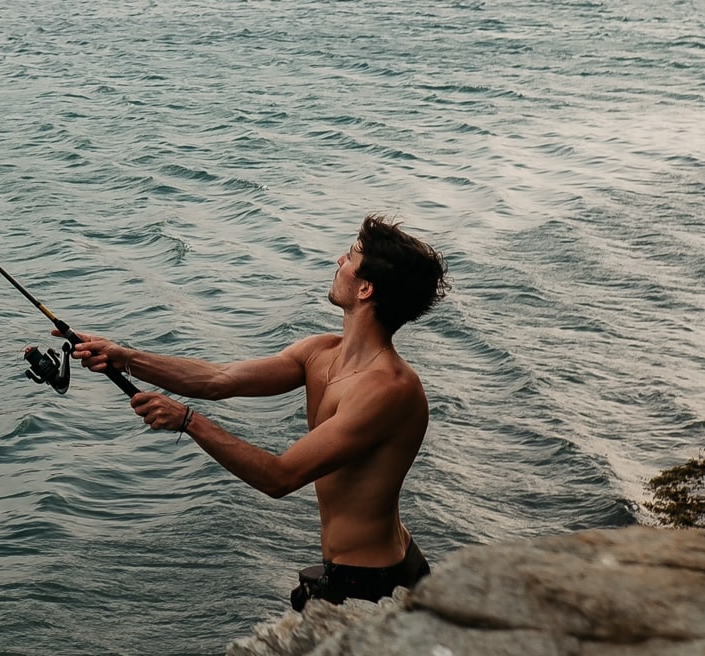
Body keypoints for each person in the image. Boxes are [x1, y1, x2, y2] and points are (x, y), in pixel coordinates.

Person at [69, 215, 447, 610]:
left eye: (351, 256)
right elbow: (219, 379)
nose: (338, 260)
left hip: (379, 584)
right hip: (346, 572)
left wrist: (187, 421)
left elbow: (280, 476)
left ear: (366, 288)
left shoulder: (388, 389)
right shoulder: (320, 352)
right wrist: (126, 357)